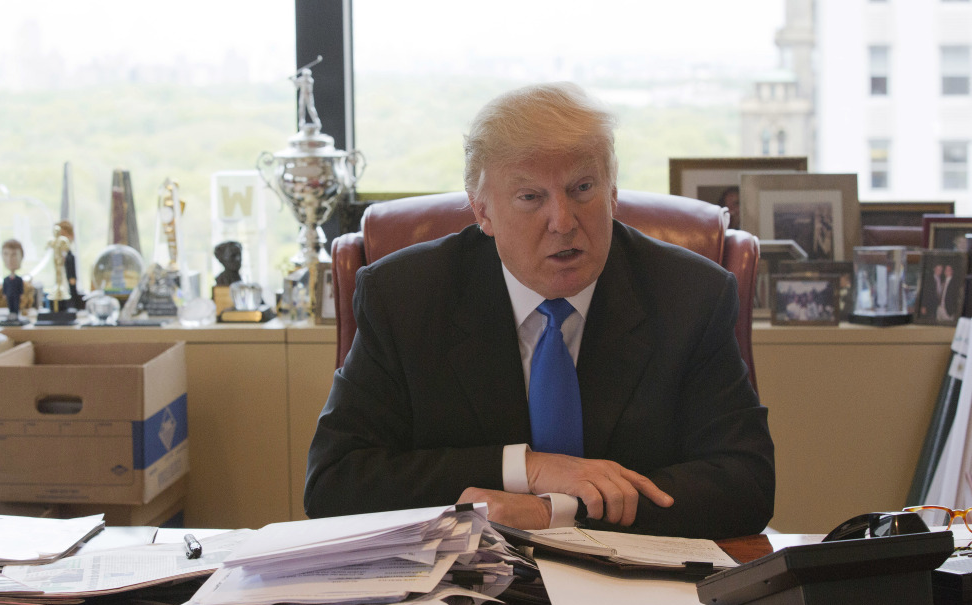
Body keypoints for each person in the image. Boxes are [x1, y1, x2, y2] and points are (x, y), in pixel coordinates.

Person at [304, 83, 775, 539]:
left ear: (612, 193)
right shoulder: (407, 296)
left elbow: (746, 481)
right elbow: (334, 481)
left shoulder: (689, 295)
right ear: (482, 211)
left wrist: (557, 512)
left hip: (630, 587)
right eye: (531, 198)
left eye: (583, 188)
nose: (564, 222)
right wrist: (527, 469)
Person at [1, 238, 26, 323]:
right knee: (10, 305)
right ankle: (11, 314)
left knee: (15, 305)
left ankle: (15, 314)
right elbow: (5, 288)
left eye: (14, 255)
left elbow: (21, 288)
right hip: (9, 295)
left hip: (16, 296)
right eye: (6, 254)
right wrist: (4, 294)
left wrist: (21, 294)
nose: (9, 259)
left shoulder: (19, 279)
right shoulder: (6, 279)